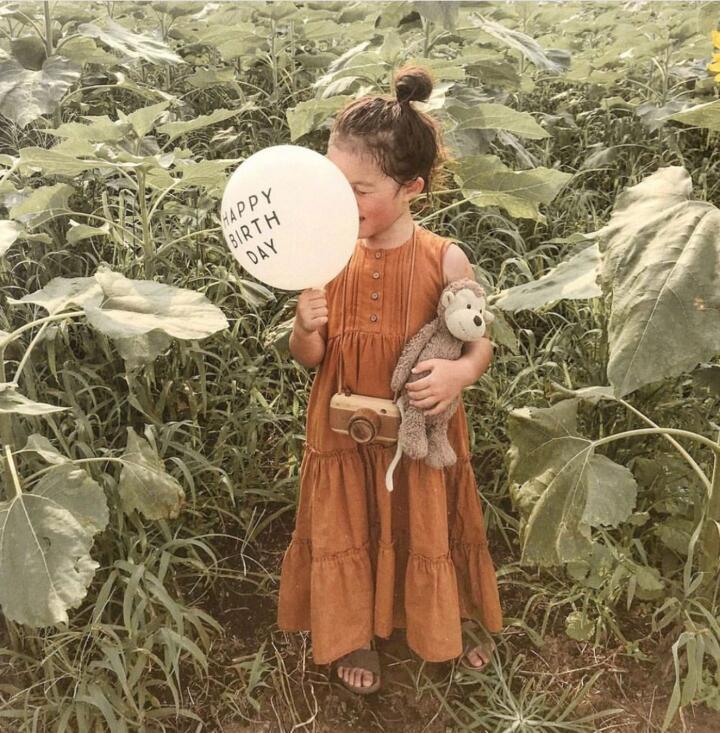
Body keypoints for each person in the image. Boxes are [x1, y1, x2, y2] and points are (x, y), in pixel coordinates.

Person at [277, 65, 503, 694]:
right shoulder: (325, 254)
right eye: (333, 185)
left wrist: (458, 373)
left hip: (418, 431)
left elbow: (478, 342)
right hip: (344, 434)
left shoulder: (444, 258)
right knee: (348, 522)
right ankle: (351, 630)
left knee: (426, 518)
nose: (341, 205)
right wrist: (306, 325)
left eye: (360, 190)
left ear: (412, 188)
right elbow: (309, 358)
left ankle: (447, 616)